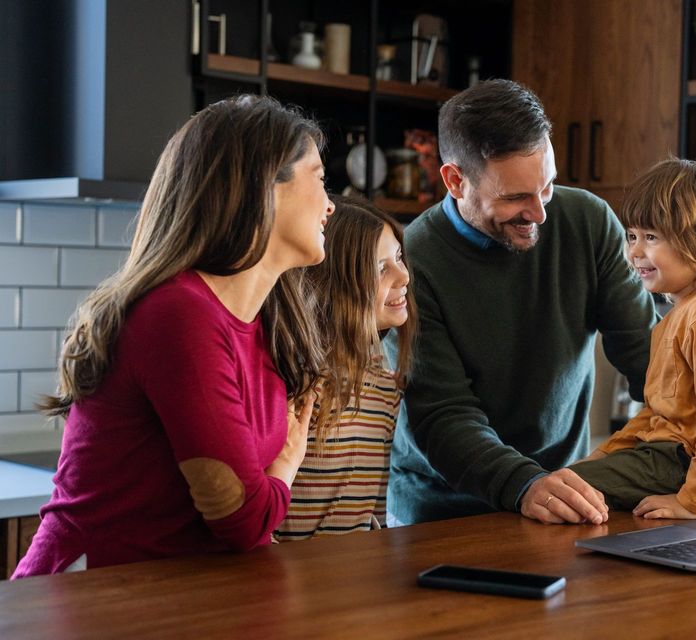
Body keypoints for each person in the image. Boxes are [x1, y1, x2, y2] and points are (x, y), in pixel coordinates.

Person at [13, 95, 335, 578]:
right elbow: (241, 520)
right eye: (320, 178)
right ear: (263, 185)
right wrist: (286, 464)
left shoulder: (264, 323)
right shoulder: (178, 315)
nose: (331, 204)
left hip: (172, 601)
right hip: (86, 601)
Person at [386, 79, 659, 526]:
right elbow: (442, 415)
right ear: (456, 180)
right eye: (515, 197)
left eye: (546, 186)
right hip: (442, 514)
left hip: (561, 496)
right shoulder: (410, 264)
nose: (540, 214)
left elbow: (647, 355)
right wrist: (526, 484)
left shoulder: (588, 223)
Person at [569, 157, 696, 519]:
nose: (634, 251)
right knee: (565, 486)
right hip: (667, 458)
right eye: (632, 236)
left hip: (685, 466)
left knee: (560, 495)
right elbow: (657, 416)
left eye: (651, 237)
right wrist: (602, 455)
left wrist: (692, 501)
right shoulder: (678, 317)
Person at [275, 198, 416, 538]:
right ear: (336, 284)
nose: (405, 275)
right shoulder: (293, 382)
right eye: (382, 269)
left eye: (399, 258)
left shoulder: (386, 380)